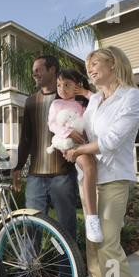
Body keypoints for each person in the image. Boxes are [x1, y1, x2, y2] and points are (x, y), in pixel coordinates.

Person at [63, 46, 139, 277]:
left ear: (113, 63)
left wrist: (79, 150)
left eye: (95, 63)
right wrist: (67, 131)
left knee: (108, 245)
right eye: (89, 65)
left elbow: (111, 141)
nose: (90, 69)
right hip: (89, 180)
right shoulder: (95, 99)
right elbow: (86, 133)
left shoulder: (133, 96)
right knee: (93, 247)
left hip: (113, 179)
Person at [12, 55, 77, 241]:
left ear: (53, 70)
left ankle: (68, 271)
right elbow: (25, 138)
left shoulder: (69, 98)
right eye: (34, 70)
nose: (34, 73)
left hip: (63, 175)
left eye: (39, 69)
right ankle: (28, 271)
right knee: (31, 229)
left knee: (66, 230)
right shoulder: (30, 101)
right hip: (35, 177)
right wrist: (18, 167)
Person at [47, 69, 102, 243]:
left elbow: (100, 103)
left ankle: (107, 215)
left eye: (67, 85)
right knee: (88, 166)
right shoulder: (56, 103)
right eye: (59, 85)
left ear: (77, 86)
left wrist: (86, 92)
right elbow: (52, 124)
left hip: (91, 143)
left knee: (101, 175)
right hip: (72, 145)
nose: (61, 88)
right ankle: (92, 218)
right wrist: (68, 132)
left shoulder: (85, 102)